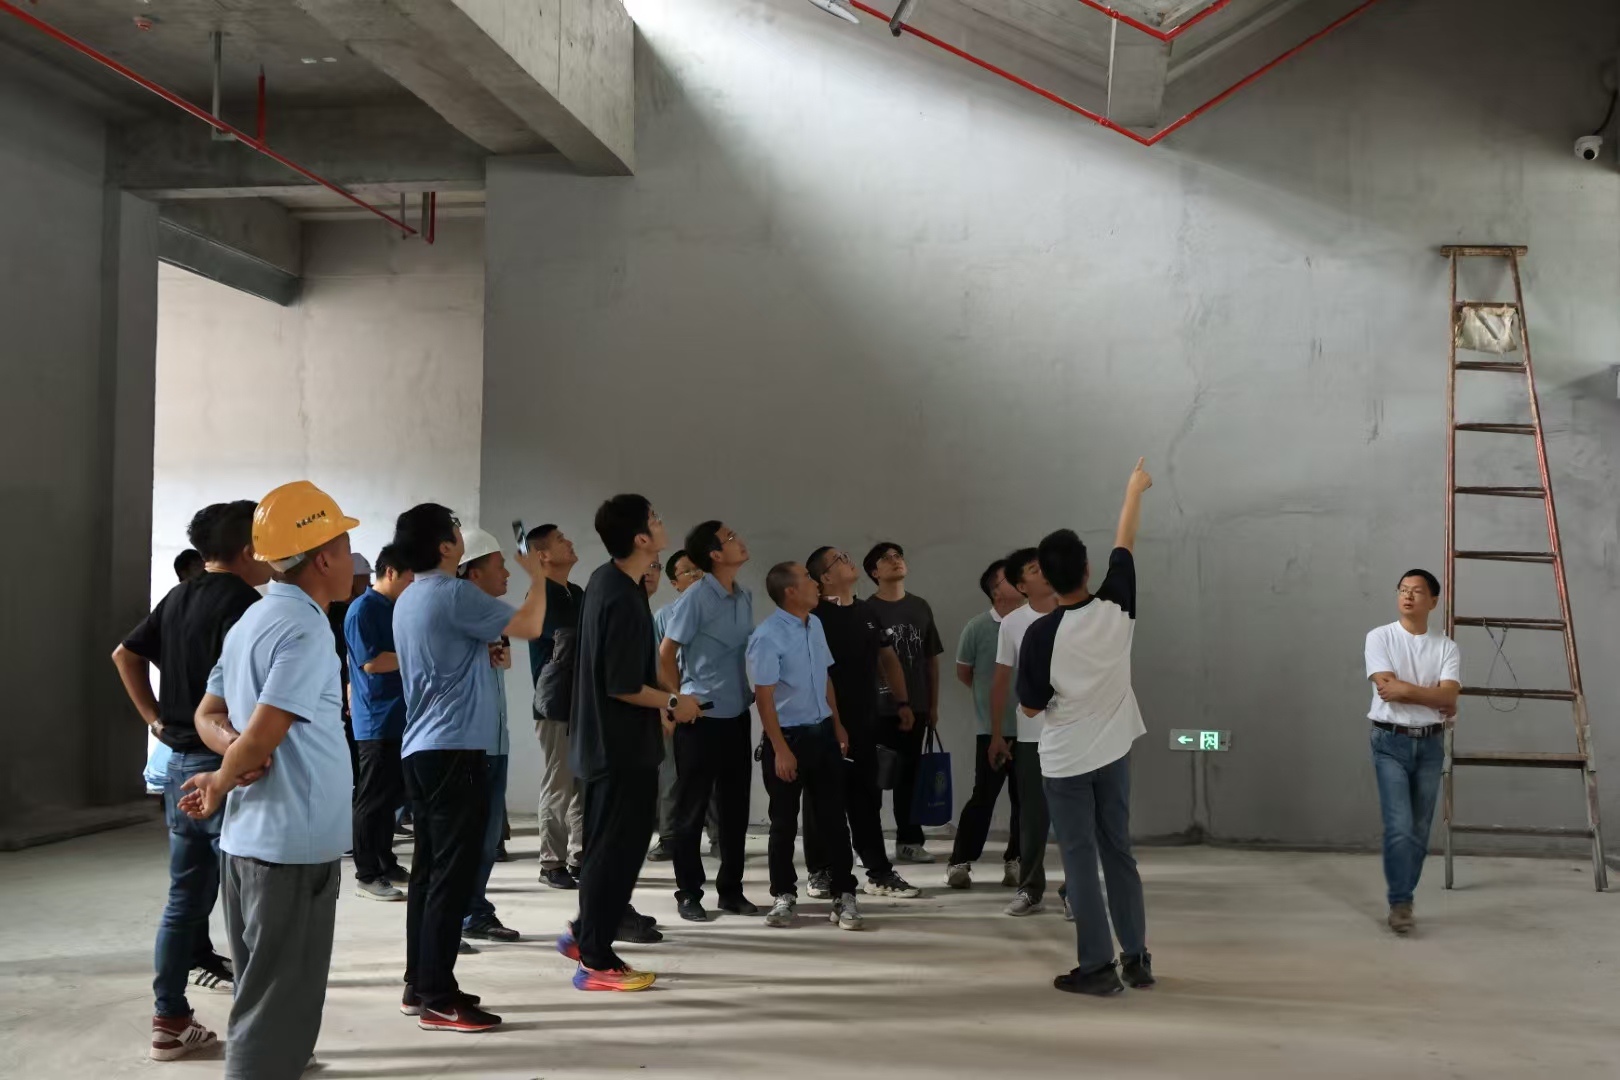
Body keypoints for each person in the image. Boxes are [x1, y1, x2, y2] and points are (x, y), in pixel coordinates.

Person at [179, 481, 360, 1079]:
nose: (352, 560)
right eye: (344, 545)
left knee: (265, 984)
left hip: (251, 840)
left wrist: (229, 756)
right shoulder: (304, 630)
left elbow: (209, 716)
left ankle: (277, 1059)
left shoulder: (253, 620)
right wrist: (226, 775)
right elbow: (263, 734)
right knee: (279, 992)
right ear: (323, 557)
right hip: (290, 843)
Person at [112, 499, 268, 1062]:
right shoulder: (249, 605)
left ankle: (170, 1020)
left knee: (185, 898)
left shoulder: (178, 597)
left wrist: (155, 720)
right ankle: (261, 1034)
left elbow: (124, 655)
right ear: (249, 550)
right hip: (227, 764)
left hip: (180, 763)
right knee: (253, 901)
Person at [391, 504, 548, 1032]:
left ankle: (421, 984)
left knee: (429, 874)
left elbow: (448, 661)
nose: (461, 535)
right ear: (445, 547)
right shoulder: (454, 593)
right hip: (454, 750)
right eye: (455, 530)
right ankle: (438, 996)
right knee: (450, 879)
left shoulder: (411, 597)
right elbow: (531, 624)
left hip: (424, 749)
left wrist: (482, 657)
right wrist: (537, 577)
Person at [1016, 458, 1156, 997]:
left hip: (1066, 761)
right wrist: (1133, 489)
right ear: (1087, 567)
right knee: (1119, 851)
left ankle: (1097, 968)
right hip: (1114, 752)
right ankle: (1136, 959)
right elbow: (1126, 541)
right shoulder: (1118, 605)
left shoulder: (1041, 635)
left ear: (1046, 581)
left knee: (1079, 860)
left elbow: (1031, 708)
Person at [557, 494, 701, 991]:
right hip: (618, 749)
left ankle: (584, 935)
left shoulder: (610, 580)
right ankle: (595, 961)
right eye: (654, 519)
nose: (661, 524)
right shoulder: (619, 593)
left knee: (610, 848)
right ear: (641, 538)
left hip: (612, 744)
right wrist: (674, 703)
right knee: (615, 852)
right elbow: (620, 684)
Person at [749, 562, 865, 931]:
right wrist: (781, 749)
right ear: (790, 592)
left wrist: (838, 723)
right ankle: (783, 895)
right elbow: (764, 698)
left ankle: (844, 894)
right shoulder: (767, 636)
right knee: (784, 822)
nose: (816, 584)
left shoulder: (814, 624)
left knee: (834, 819)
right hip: (788, 738)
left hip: (823, 735)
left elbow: (825, 677)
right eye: (807, 579)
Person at [801, 546, 920, 899]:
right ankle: (820, 870)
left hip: (866, 720)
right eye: (839, 559)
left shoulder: (867, 612)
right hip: (823, 721)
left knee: (866, 797)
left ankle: (878, 871)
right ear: (825, 577)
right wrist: (832, 722)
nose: (848, 560)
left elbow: (888, 658)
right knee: (822, 798)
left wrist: (902, 701)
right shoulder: (814, 616)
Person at [658, 520, 760, 921]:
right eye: (730, 538)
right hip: (701, 718)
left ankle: (731, 891)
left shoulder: (744, 595)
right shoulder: (696, 598)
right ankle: (688, 892)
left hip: (737, 714)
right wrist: (678, 700)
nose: (739, 540)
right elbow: (666, 654)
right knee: (692, 809)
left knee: (735, 809)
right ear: (715, 555)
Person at [1365, 568, 1461, 936]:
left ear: (1433, 601)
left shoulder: (1446, 647)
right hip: (1390, 742)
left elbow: (1448, 697)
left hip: (1432, 745)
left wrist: (1409, 691)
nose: (1407, 596)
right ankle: (1400, 901)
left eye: (1417, 591)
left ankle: (1404, 898)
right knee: (1400, 825)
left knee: (1419, 830)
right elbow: (1387, 689)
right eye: (1402, 589)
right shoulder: (1380, 637)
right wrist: (1435, 696)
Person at [455, 528, 523, 943]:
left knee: (486, 836)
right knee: (466, 837)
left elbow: (504, 662)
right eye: (500, 565)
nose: (508, 574)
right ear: (474, 572)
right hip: (469, 742)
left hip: (495, 738)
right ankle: (459, 915)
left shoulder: (492, 616)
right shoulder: (457, 612)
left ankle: (474, 909)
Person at [861, 541, 944, 863]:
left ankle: (909, 841)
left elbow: (931, 660)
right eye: (886, 558)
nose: (895, 561)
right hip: (876, 708)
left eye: (898, 556)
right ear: (874, 572)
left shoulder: (920, 606)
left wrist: (933, 706)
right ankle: (868, 845)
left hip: (917, 705)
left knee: (909, 776)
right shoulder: (866, 610)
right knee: (872, 779)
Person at [992, 547, 1063, 917]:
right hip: (1033, 733)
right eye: (1035, 569)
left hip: (1076, 732)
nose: (1044, 571)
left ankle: (1076, 891)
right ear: (1021, 586)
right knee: (1033, 817)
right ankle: (1030, 889)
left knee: (1077, 817)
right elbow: (1001, 682)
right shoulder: (1013, 624)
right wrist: (996, 734)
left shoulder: (1077, 613)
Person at [945, 559, 1024, 890]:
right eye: (1010, 577)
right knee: (983, 797)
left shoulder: (1034, 623)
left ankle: (1016, 859)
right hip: (992, 731)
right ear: (996, 591)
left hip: (1031, 730)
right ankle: (960, 861)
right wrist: (989, 709)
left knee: (1025, 799)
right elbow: (965, 673)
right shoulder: (977, 627)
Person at [345, 544, 415, 901]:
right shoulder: (364, 609)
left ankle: (386, 861)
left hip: (400, 716)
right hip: (376, 719)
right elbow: (371, 662)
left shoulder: (394, 607)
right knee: (371, 799)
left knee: (390, 797)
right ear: (390, 572)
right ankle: (367, 873)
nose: (413, 584)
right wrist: (418, 655)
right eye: (410, 577)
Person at [527, 524, 588, 890]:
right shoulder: (540, 594)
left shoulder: (576, 593)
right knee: (560, 783)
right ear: (543, 555)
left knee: (583, 783)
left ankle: (579, 857)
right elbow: (570, 641)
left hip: (582, 703)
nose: (570, 542)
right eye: (561, 540)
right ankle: (551, 862)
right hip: (555, 706)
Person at [648, 549, 698, 860]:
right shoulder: (663, 617)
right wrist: (666, 707)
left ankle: (718, 837)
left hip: (706, 704)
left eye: (699, 569)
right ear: (675, 583)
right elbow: (655, 666)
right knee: (670, 774)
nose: (697, 575)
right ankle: (668, 836)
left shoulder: (718, 612)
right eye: (688, 572)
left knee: (711, 776)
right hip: (672, 703)